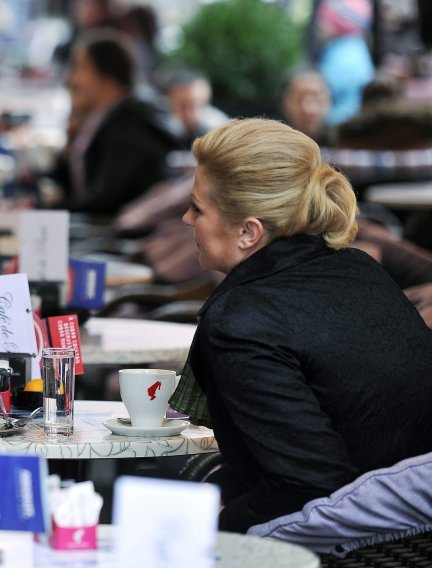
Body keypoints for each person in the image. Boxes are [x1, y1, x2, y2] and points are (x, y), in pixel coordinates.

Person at [170, 118, 432, 533]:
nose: (186, 219)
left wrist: (206, 528)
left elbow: (308, 485)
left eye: (197, 208)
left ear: (248, 233)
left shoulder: (240, 324)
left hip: (346, 535)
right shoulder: (356, 268)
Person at [51, 29, 179, 215]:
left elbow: (106, 201)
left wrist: (51, 212)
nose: (73, 78)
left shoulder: (132, 126)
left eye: (81, 68)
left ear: (108, 75)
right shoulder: (104, 116)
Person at [157, 67, 229, 150]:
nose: (191, 114)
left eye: (200, 105)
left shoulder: (219, 128)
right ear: (168, 101)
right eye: (183, 106)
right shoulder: (156, 127)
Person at [280, 68, 333, 146]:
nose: (308, 109)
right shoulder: (271, 144)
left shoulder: (347, 142)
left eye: (317, 99)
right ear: (285, 102)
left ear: (329, 102)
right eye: (299, 99)